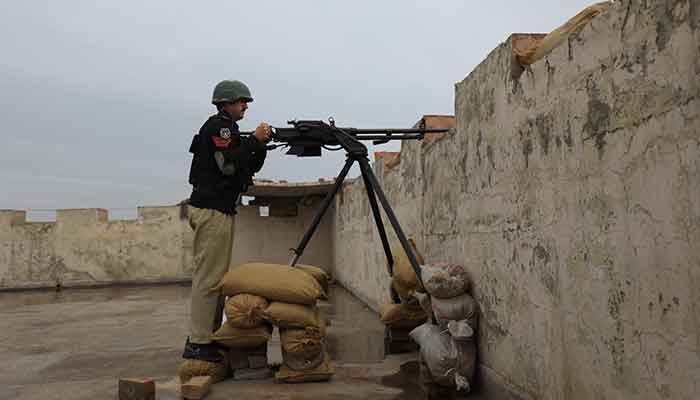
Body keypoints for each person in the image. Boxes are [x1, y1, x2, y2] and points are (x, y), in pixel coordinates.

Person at [182, 80, 271, 362]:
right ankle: (198, 342)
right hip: (212, 209)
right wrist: (254, 140)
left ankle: (207, 337)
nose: (245, 106)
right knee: (209, 279)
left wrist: (260, 146)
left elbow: (244, 165)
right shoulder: (219, 127)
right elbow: (228, 166)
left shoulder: (228, 130)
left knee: (215, 278)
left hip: (217, 209)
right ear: (226, 103)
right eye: (241, 102)